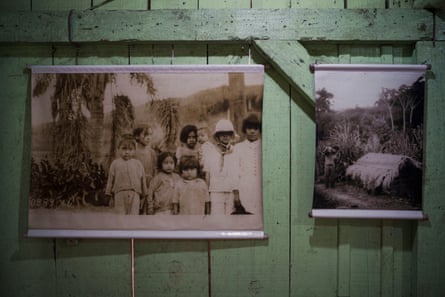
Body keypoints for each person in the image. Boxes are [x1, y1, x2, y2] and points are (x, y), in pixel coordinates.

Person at [202, 119, 241, 215]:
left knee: (230, 219)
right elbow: (207, 175)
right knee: (217, 218)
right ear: (217, 136)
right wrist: (207, 194)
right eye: (222, 133)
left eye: (228, 133)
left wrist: (237, 194)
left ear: (232, 135)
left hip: (230, 191)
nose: (225, 136)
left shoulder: (235, 152)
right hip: (215, 191)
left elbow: (236, 175)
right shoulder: (210, 153)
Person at [105, 136, 147, 215]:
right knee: (120, 216)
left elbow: (143, 180)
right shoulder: (115, 163)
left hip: (135, 194)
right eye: (124, 149)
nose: (127, 152)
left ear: (134, 150)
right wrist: (108, 194)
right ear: (119, 149)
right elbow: (110, 180)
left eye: (130, 149)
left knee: (133, 216)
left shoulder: (138, 164)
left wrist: (144, 195)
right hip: (119, 193)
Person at [233, 113, 262, 215]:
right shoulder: (238, 148)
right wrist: (236, 195)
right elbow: (235, 173)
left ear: (260, 130)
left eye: (255, 128)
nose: (252, 131)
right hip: (244, 188)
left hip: (261, 188)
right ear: (245, 129)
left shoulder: (264, 146)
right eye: (249, 128)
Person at [133, 126, 157, 202]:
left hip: (149, 183)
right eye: (145, 135)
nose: (148, 138)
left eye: (150, 135)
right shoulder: (133, 152)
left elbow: (155, 169)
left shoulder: (152, 152)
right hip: (136, 182)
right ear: (137, 136)